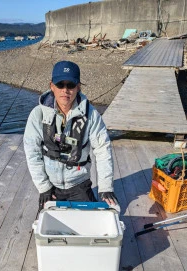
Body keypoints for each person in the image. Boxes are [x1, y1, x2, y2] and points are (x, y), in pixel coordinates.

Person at [23, 60, 119, 211]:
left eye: (71, 85)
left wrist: (106, 187)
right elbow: (32, 152)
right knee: (50, 226)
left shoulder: (91, 115)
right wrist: (43, 187)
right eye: (60, 84)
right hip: (51, 186)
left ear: (78, 87)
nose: (65, 90)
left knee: (90, 225)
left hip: (79, 184)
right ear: (52, 86)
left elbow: (102, 150)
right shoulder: (38, 114)